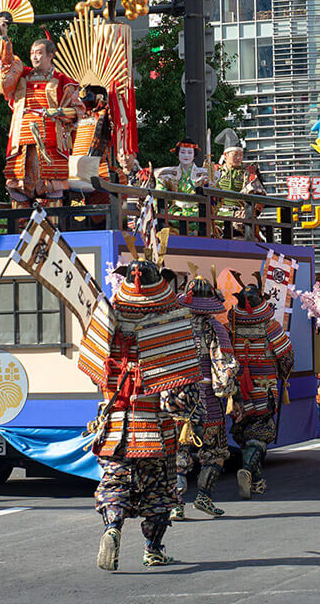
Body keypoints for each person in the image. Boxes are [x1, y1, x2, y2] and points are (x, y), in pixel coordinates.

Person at [81, 260, 187, 570]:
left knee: (115, 485)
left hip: (114, 426)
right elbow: (176, 395)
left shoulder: (108, 317)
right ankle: (153, 549)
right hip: (154, 429)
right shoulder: (168, 321)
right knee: (158, 493)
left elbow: (94, 374)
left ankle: (113, 528)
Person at [166, 277, 240, 520]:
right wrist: (228, 392)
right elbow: (224, 365)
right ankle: (204, 497)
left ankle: (176, 504)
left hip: (176, 399)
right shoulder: (215, 328)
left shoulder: (172, 326)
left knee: (177, 452)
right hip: (207, 401)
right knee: (215, 451)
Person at [0, 17, 83, 207]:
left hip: (50, 141)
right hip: (22, 139)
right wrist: (4, 36)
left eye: (39, 53)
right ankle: (20, 233)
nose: (35, 57)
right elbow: (8, 63)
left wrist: (57, 112)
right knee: (19, 190)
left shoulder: (63, 81)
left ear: (51, 55)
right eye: (32, 53)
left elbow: (77, 111)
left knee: (51, 198)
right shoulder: (22, 75)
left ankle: (51, 233)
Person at [229, 278, 293, 499]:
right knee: (261, 433)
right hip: (264, 389)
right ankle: (246, 469)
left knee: (246, 434)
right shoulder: (270, 326)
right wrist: (283, 375)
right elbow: (286, 356)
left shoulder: (233, 328)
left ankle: (256, 482)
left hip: (237, 391)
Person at [155, 139, 209, 219]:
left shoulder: (205, 174)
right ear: (178, 154)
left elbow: (214, 196)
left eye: (190, 152)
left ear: (194, 155)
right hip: (175, 211)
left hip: (197, 212)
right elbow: (160, 193)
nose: (186, 156)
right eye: (183, 152)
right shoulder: (166, 174)